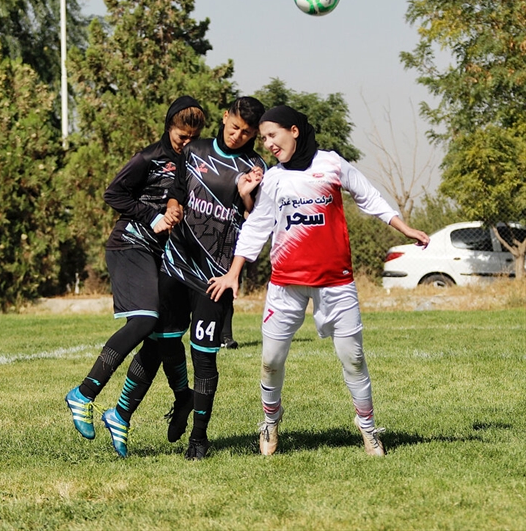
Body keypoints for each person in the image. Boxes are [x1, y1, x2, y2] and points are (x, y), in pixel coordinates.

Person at [208, 105, 430, 456]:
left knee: (353, 359)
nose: (267, 144)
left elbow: (368, 196)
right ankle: (270, 421)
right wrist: (234, 272)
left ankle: (368, 427)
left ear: (294, 130)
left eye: (272, 135)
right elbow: (256, 227)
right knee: (270, 360)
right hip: (285, 283)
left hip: (336, 282)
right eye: (263, 138)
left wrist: (404, 228)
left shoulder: (332, 164)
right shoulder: (275, 179)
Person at [64, 96, 206, 457]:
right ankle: (85, 393)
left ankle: (126, 415)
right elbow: (114, 193)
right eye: (180, 135)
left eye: (192, 137)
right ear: (168, 127)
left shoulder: (198, 164)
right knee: (145, 320)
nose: (185, 142)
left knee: (165, 336)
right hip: (130, 245)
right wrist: (150, 215)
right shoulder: (148, 158)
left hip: (168, 256)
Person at [159, 96, 267, 460]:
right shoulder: (195, 150)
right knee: (165, 342)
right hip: (175, 263)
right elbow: (176, 191)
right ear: (224, 118)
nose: (238, 135)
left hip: (215, 277)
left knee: (204, 357)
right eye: (234, 127)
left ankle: (199, 439)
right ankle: (181, 399)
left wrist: (247, 197)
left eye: (247, 132)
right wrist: (173, 206)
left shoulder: (255, 167)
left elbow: (256, 224)